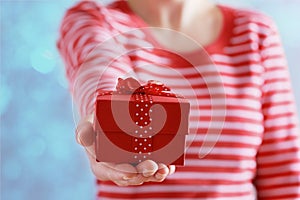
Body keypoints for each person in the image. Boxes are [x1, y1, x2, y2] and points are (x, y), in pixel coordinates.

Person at [57, 0, 300, 199]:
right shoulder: (92, 20)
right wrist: (105, 114)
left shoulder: (255, 33)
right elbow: (101, 72)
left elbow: (284, 178)